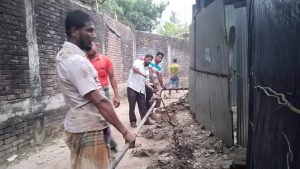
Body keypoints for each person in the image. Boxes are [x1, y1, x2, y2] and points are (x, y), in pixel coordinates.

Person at [56, 10, 135, 169]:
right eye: (89, 30)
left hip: (82, 125)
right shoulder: (76, 61)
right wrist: (125, 132)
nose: (93, 35)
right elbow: (100, 101)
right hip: (88, 128)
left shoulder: (65, 55)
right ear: (73, 31)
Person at [86, 42, 120, 152]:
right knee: (92, 119)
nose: (89, 47)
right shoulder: (83, 61)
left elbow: (112, 77)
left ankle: (110, 143)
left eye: (91, 44)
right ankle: (104, 144)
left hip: (103, 92)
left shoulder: (106, 60)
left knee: (105, 117)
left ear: (96, 46)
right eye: (87, 45)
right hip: (89, 94)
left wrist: (117, 96)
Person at [127, 54, 154, 128]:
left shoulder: (147, 70)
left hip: (141, 89)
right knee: (132, 105)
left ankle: (145, 120)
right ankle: (132, 121)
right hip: (132, 87)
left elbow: (145, 82)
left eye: (151, 60)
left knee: (143, 105)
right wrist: (143, 74)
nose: (150, 61)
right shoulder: (138, 62)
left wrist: (151, 88)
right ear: (145, 58)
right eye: (149, 59)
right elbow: (134, 69)